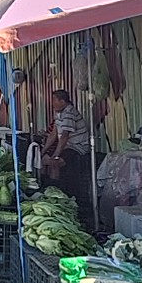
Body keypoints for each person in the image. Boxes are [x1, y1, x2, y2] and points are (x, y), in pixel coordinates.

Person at [43, 89, 92, 226]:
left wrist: (56, 156)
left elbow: (64, 137)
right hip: (68, 146)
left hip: (78, 147)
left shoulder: (69, 112)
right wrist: (43, 151)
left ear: (62, 101)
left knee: (55, 163)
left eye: (54, 100)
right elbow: (54, 134)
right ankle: (52, 192)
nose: (52, 103)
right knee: (48, 161)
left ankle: (58, 196)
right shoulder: (59, 113)